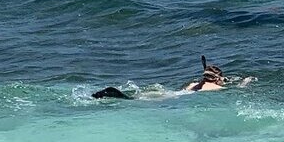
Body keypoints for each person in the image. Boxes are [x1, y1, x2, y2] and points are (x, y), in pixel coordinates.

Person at [91, 55, 228, 99]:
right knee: (134, 101)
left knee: (138, 97)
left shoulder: (194, 84)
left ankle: (110, 93)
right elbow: (229, 89)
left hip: (169, 92)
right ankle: (113, 93)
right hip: (174, 97)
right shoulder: (215, 87)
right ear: (217, 78)